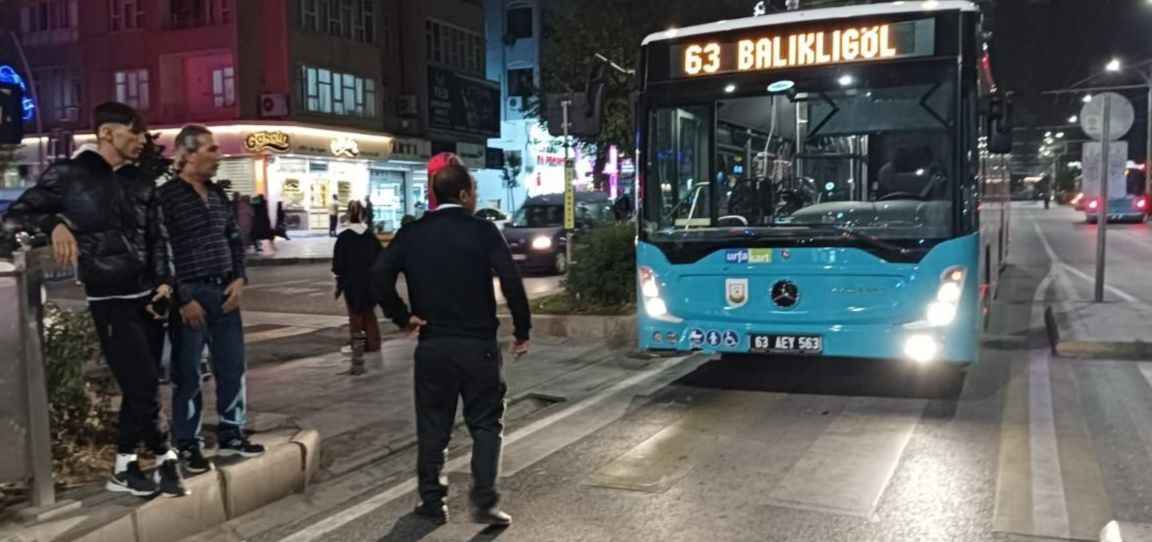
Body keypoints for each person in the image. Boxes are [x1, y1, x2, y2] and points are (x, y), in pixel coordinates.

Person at [2, 102, 185, 497]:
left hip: (151, 297)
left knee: (146, 383)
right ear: (106, 133)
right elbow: (13, 217)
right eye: (133, 133)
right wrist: (54, 224)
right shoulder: (70, 175)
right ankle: (162, 456)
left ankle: (128, 466)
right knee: (142, 386)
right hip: (110, 297)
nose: (141, 141)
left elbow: (159, 237)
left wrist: (166, 282)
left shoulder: (141, 181)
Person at [373, 163, 531, 527]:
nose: (474, 197)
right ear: (462, 194)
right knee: (487, 424)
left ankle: (432, 502)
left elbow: (379, 275)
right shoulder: (482, 231)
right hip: (478, 346)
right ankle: (484, 502)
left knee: (432, 425)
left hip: (433, 346)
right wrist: (522, 330)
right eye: (473, 190)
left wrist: (402, 317)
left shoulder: (413, 233)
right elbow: (510, 279)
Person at [159, 125, 265, 476]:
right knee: (188, 372)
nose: (219, 155)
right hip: (191, 295)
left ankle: (232, 431)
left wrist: (239, 278)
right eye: (211, 149)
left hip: (224, 293)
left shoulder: (218, 195)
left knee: (232, 365)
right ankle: (188, 443)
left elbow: (235, 240)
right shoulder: (168, 198)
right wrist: (182, 296)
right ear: (187, 155)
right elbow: (163, 251)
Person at [334, 200, 384, 357]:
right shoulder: (371, 237)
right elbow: (381, 260)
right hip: (370, 282)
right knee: (369, 313)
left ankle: (357, 344)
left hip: (351, 283)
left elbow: (338, 265)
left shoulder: (344, 238)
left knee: (355, 314)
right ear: (363, 215)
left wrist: (339, 283)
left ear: (348, 215)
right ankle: (374, 343)